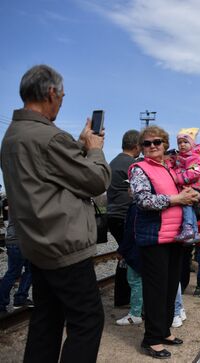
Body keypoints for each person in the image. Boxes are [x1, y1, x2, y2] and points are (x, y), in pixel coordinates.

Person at [0, 64, 111, 363]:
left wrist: (76, 145)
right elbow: (96, 180)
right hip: (64, 246)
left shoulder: (13, 135)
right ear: (51, 93)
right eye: (61, 96)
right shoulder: (49, 137)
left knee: (46, 321)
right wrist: (95, 149)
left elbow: (50, 172)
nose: (61, 102)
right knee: (87, 321)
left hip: (37, 244)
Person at [128, 125, 200, 359]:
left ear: (164, 144)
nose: (152, 147)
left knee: (170, 287)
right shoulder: (139, 169)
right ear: (141, 147)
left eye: (157, 142)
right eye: (147, 143)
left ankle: (164, 330)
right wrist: (176, 198)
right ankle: (151, 339)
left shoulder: (168, 168)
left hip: (174, 238)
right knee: (156, 290)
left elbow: (181, 192)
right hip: (155, 238)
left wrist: (192, 196)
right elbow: (143, 200)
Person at [107, 129, 140, 306]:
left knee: (124, 254)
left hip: (112, 213)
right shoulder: (132, 164)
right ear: (136, 146)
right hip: (124, 215)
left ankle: (122, 297)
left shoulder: (113, 161)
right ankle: (123, 297)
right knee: (129, 256)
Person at [170, 127, 200, 243]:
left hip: (196, 187)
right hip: (193, 187)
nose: (182, 145)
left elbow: (194, 173)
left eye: (185, 142)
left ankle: (187, 228)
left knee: (186, 204)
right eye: (179, 143)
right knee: (190, 208)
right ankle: (195, 233)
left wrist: (177, 178)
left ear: (192, 143)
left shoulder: (196, 157)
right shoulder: (183, 157)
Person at [115, 197, 143, 326]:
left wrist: (122, 250)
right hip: (146, 247)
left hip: (135, 250)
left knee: (135, 280)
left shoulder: (135, 206)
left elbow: (130, 231)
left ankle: (135, 313)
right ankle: (142, 310)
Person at [0, 217, 33, 313]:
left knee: (29, 270)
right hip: (18, 242)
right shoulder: (23, 204)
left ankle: (21, 298)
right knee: (14, 273)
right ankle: (2, 303)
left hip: (17, 242)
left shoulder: (16, 202)